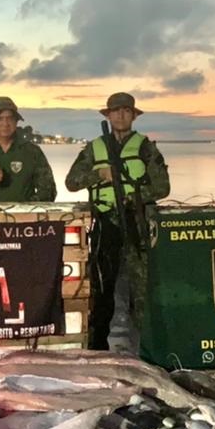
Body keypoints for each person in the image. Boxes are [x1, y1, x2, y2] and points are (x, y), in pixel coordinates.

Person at [65, 92, 171, 351]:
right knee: (102, 289)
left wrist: (134, 197)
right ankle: (98, 348)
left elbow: (163, 187)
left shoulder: (146, 147)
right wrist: (98, 174)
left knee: (142, 289)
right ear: (108, 115)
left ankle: (151, 348)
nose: (121, 115)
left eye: (126, 111)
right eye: (116, 111)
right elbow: (71, 182)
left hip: (137, 224)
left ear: (133, 116)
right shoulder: (94, 148)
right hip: (106, 224)